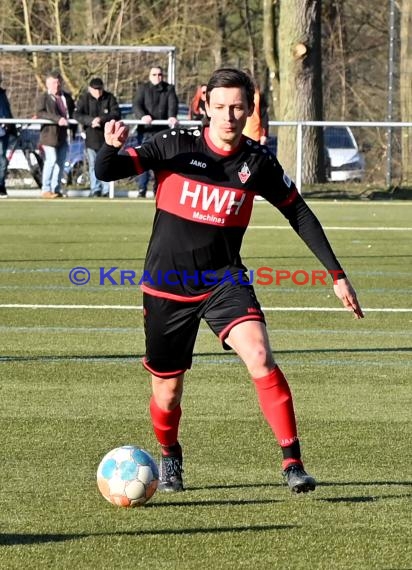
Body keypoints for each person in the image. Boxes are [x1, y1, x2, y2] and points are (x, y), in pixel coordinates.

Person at [96, 68, 364, 495]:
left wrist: (337, 276)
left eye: (238, 107)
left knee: (259, 354)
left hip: (224, 280)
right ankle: (169, 456)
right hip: (166, 285)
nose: (229, 116)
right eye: (220, 107)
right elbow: (109, 170)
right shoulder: (175, 146)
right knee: (167, 393)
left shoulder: (257, 162)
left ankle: (293, 462)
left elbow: (299, 213)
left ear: (249, 107)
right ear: (204, 104)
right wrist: (106, 147)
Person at [132, 65, 178, 197]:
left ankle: (160, 188)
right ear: (149, 76)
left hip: (162, 132)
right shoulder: (143, 89)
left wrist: (172, 116)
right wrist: (142, 116)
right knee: (143, 160)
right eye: (154, 74)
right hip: (146, 131)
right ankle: (142, 189)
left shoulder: (169, 88)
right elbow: (136, 105)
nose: (157, 77)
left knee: (162, 162)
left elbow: (172, 104)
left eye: (160, 75)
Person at [74, 78, 120, 197]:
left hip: (107, 139)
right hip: (91, 138)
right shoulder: (84, 99)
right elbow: (77, 114)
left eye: (100, 89)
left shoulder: (109, 98)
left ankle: (106, 190)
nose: (98, 91)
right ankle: (95, 189)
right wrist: (90, 121)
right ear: (90, 89)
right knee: (93, 164)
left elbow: (116, 113)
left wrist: (102, 119)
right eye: (95, 89)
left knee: (106, 163)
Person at [35, 70, 75, 199]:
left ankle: (56, 189)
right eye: (53, 83)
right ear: (47, 84)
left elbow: (72, 113)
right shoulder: (43, 98)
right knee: (51, 160)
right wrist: (58, 119)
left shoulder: (67, 97)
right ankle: (45, 189)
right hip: (48, 135)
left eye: (58, 82)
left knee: (60, 163)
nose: (56, 85)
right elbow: (40, 113)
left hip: (63, 136)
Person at [242, 69, 269, 145]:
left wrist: (264, 135)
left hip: (254, 135)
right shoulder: (234, 96)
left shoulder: (258, 96)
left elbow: (264, 116)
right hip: (238, 136)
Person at [0, 72, 16, 198]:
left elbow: (7, 112)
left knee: (3, 160)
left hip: (3, 133)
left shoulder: (2, 94)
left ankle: (1, 185)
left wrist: (11, 126)